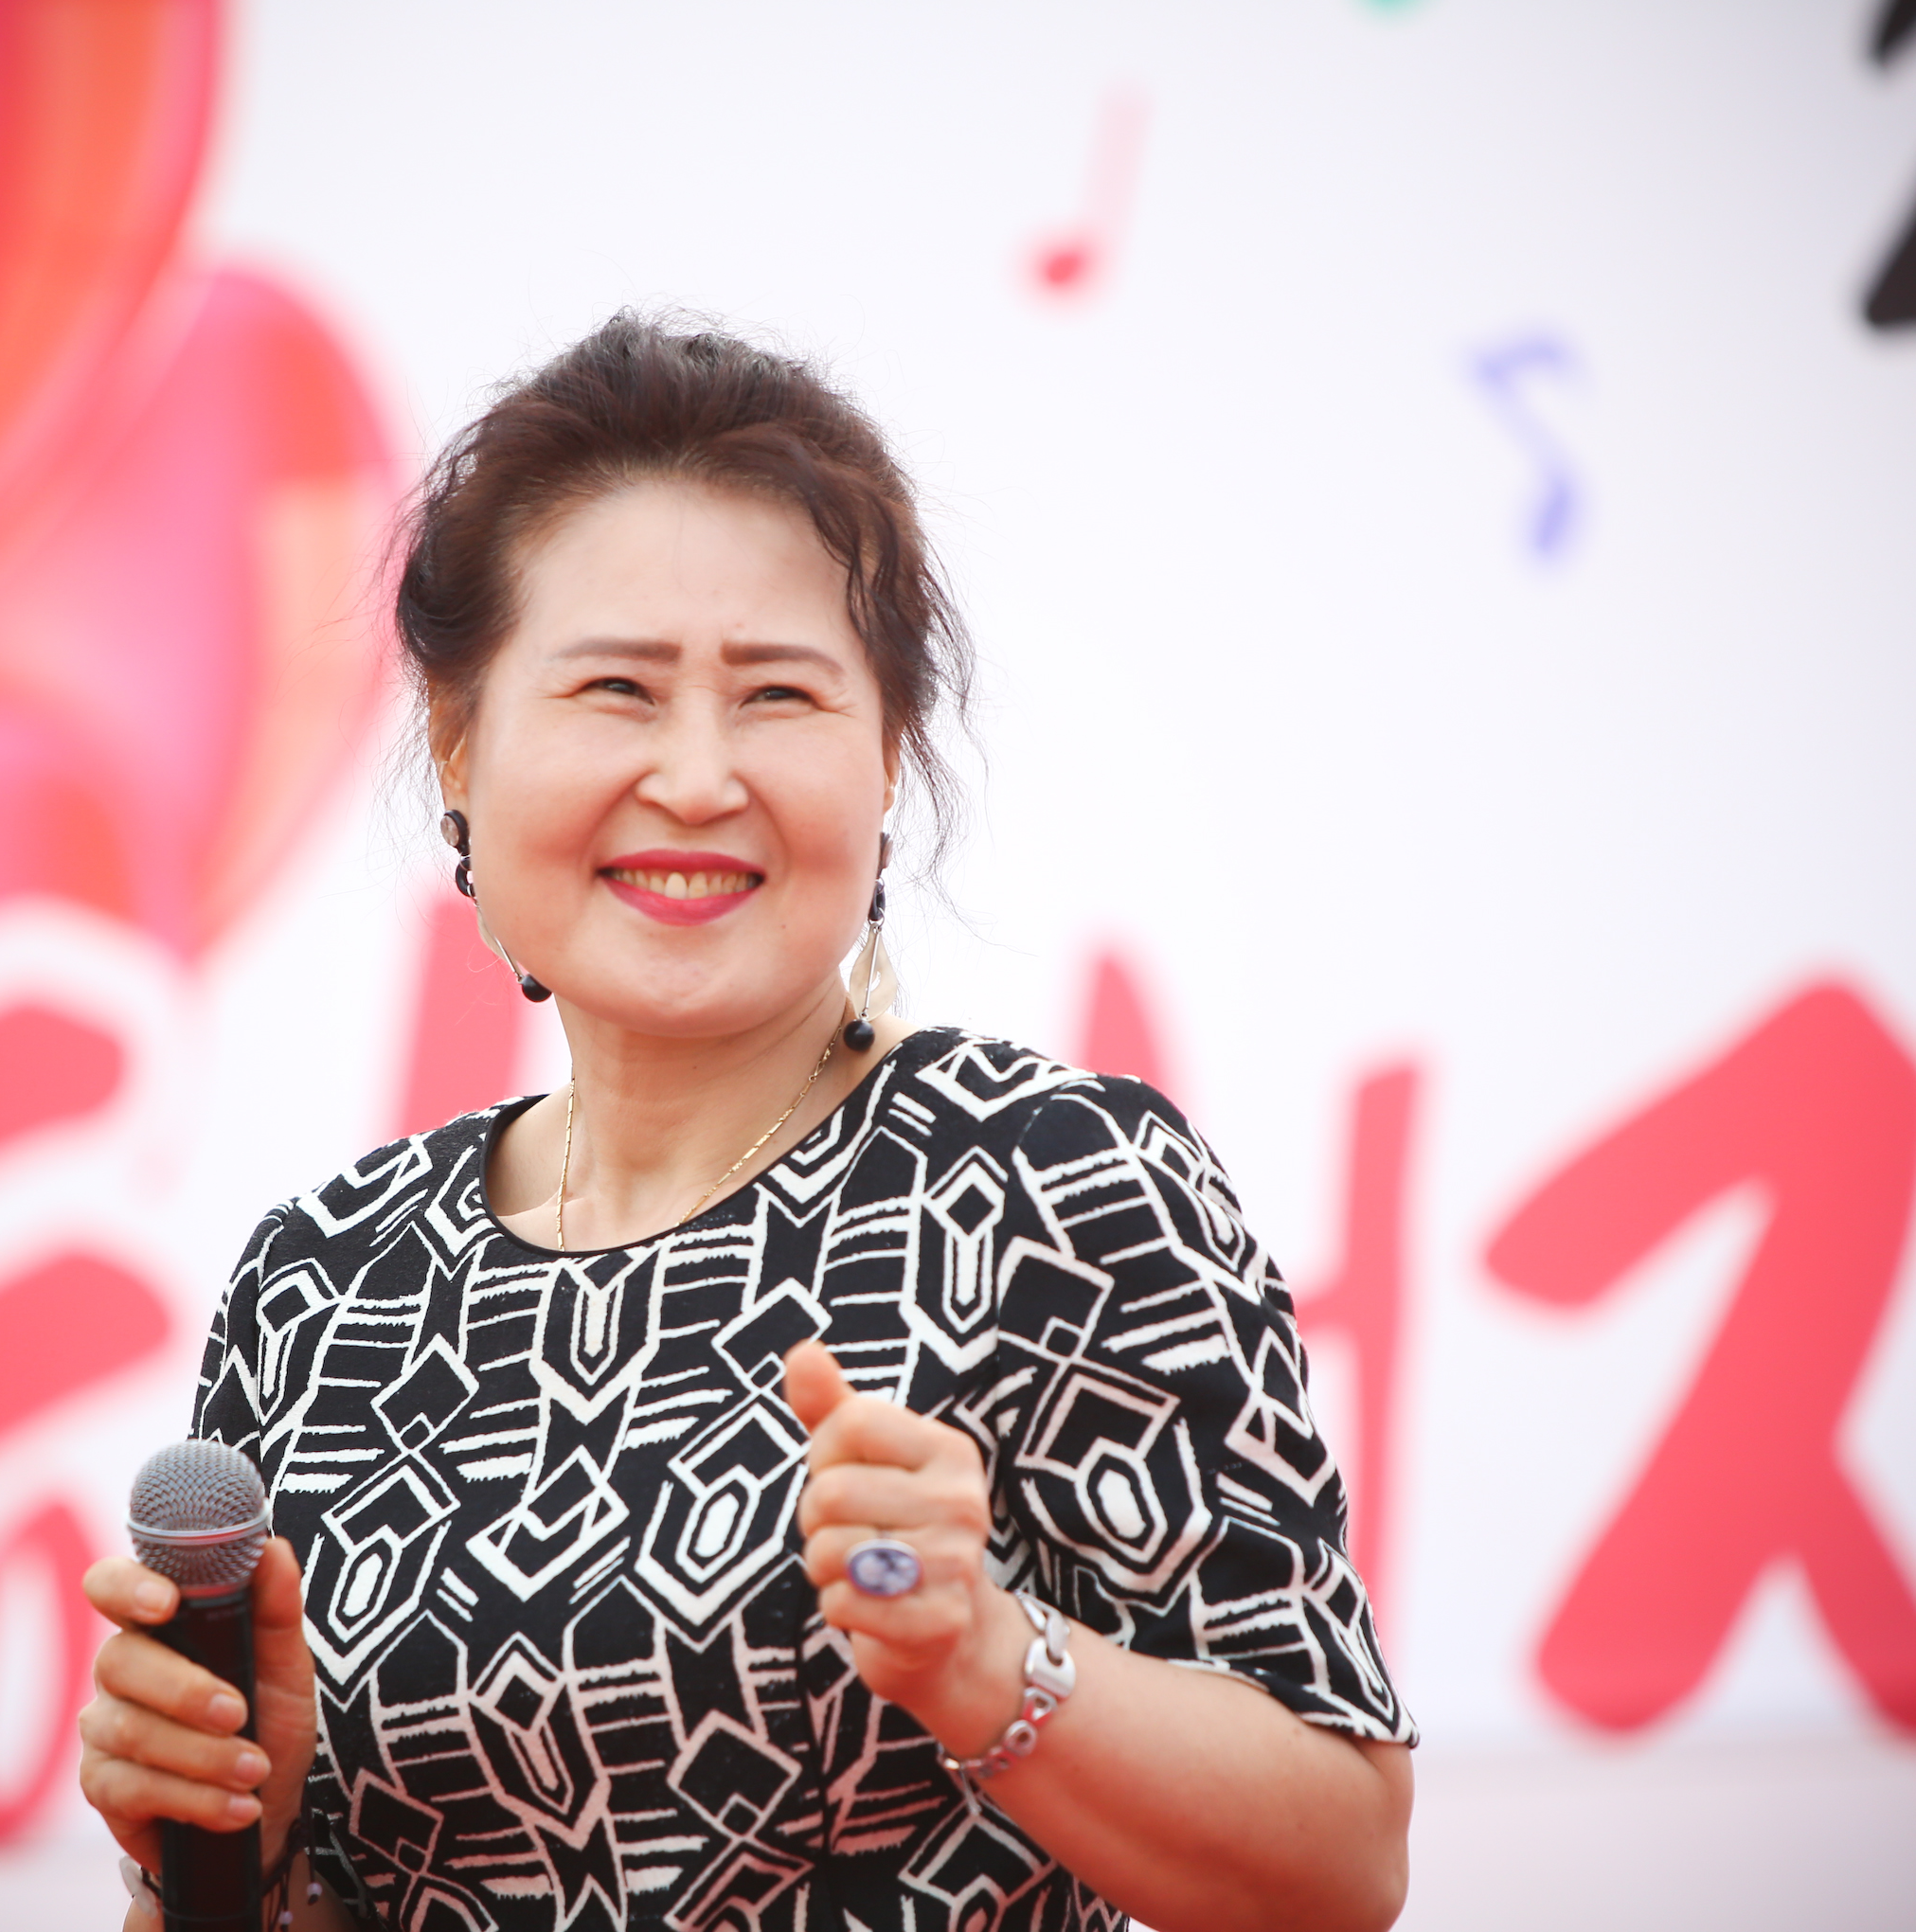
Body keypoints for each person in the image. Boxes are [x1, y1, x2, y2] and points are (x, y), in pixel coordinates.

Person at [78, 313, 1414, 1932]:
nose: (699, 778)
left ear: (887, 759)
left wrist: (986, 1659)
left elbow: (1342, 1862)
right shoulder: (326, 1282)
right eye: (617, 691)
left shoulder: (1053, 1182)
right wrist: (232, 1853)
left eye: (778, 695)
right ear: (458, 741)